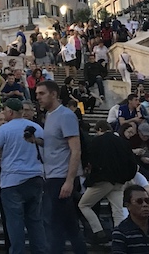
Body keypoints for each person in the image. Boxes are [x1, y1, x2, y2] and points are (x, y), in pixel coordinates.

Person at [0, 98, 47, 254]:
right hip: (35, 177)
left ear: (10, 112)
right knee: (35, 222)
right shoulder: (37, 128)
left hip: (12, 181)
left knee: (15, 224)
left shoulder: (5, 129)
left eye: (5, 110)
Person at [34, 80, 87, 254]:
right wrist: (36, 141)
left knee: (55, 225)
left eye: (42, 94)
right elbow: (55, 144)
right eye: (37, 94)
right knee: (69, 225)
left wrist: (69, 181)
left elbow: (75, 149)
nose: (38, 97)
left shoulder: (65, 115)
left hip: (62, 178)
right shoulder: (49, 116)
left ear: (54, 94)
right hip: (52, 176)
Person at [111, 184, 149, 253]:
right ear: (128, 206)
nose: (145, 205)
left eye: (147, 201)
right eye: (139, 201)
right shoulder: (121, 232)